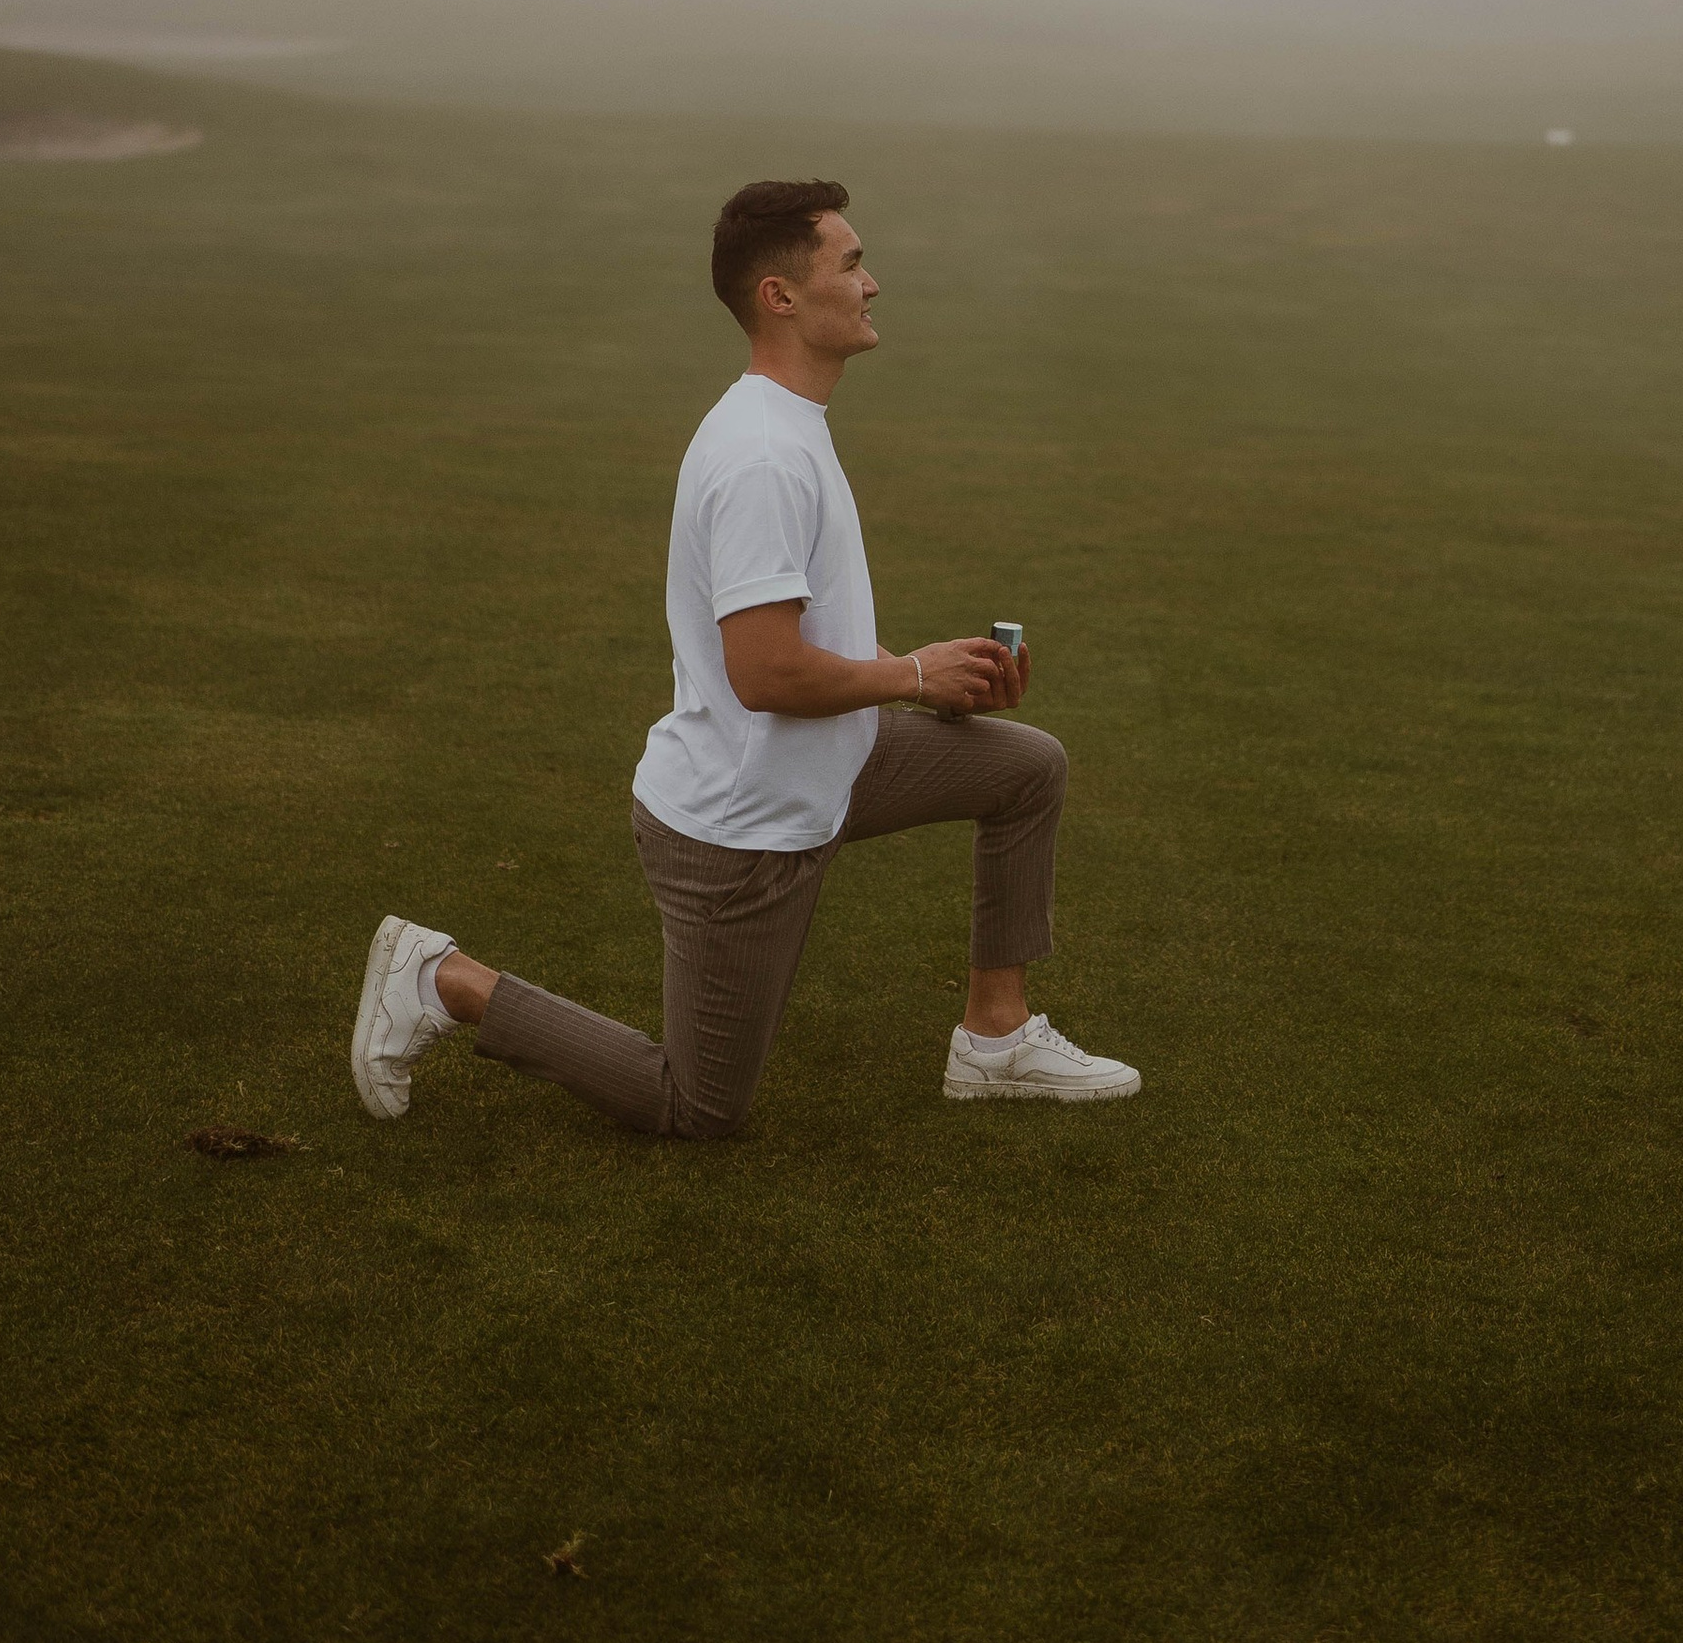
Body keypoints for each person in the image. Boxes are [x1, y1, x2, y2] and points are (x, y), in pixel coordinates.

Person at [349, 176, 1140, 1136]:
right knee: (697, 1106)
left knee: (1025, 769)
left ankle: (996, 1040)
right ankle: (444, 980)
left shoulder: (790, 424)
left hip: (829, 767)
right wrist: (911, 675)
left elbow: (811, 639)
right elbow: (765, 674)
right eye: (852, 264)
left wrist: (936, 685)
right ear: (781, 296)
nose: (872, 283)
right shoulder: (763, 455)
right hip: (740, 826)